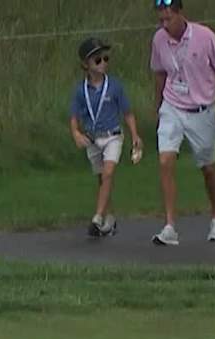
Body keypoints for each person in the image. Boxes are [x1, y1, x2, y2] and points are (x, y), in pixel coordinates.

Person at [148, 0, 215, 246]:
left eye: (168, 19)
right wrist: (157, 107)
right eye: (161, 20)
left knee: (207, 168)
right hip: (172, 106)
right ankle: (169, 226)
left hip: (202, 110)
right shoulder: (158, 40)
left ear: (179, 13)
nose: (164, 24)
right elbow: (159, 74)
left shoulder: (205, 36)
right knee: (165, 160)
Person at [70, 36, 145, 237]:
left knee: (108, 174)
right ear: (86, 65)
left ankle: (97, 218)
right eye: (97, 60)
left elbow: (127, 113)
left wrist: (135, 135)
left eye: (105, 59)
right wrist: (76, 134)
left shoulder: (115, 86)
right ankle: (109, 218)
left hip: (113, 135)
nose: (103, 63)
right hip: (92, 138)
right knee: (102, 179)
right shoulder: (80, 91)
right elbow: (74, 117)